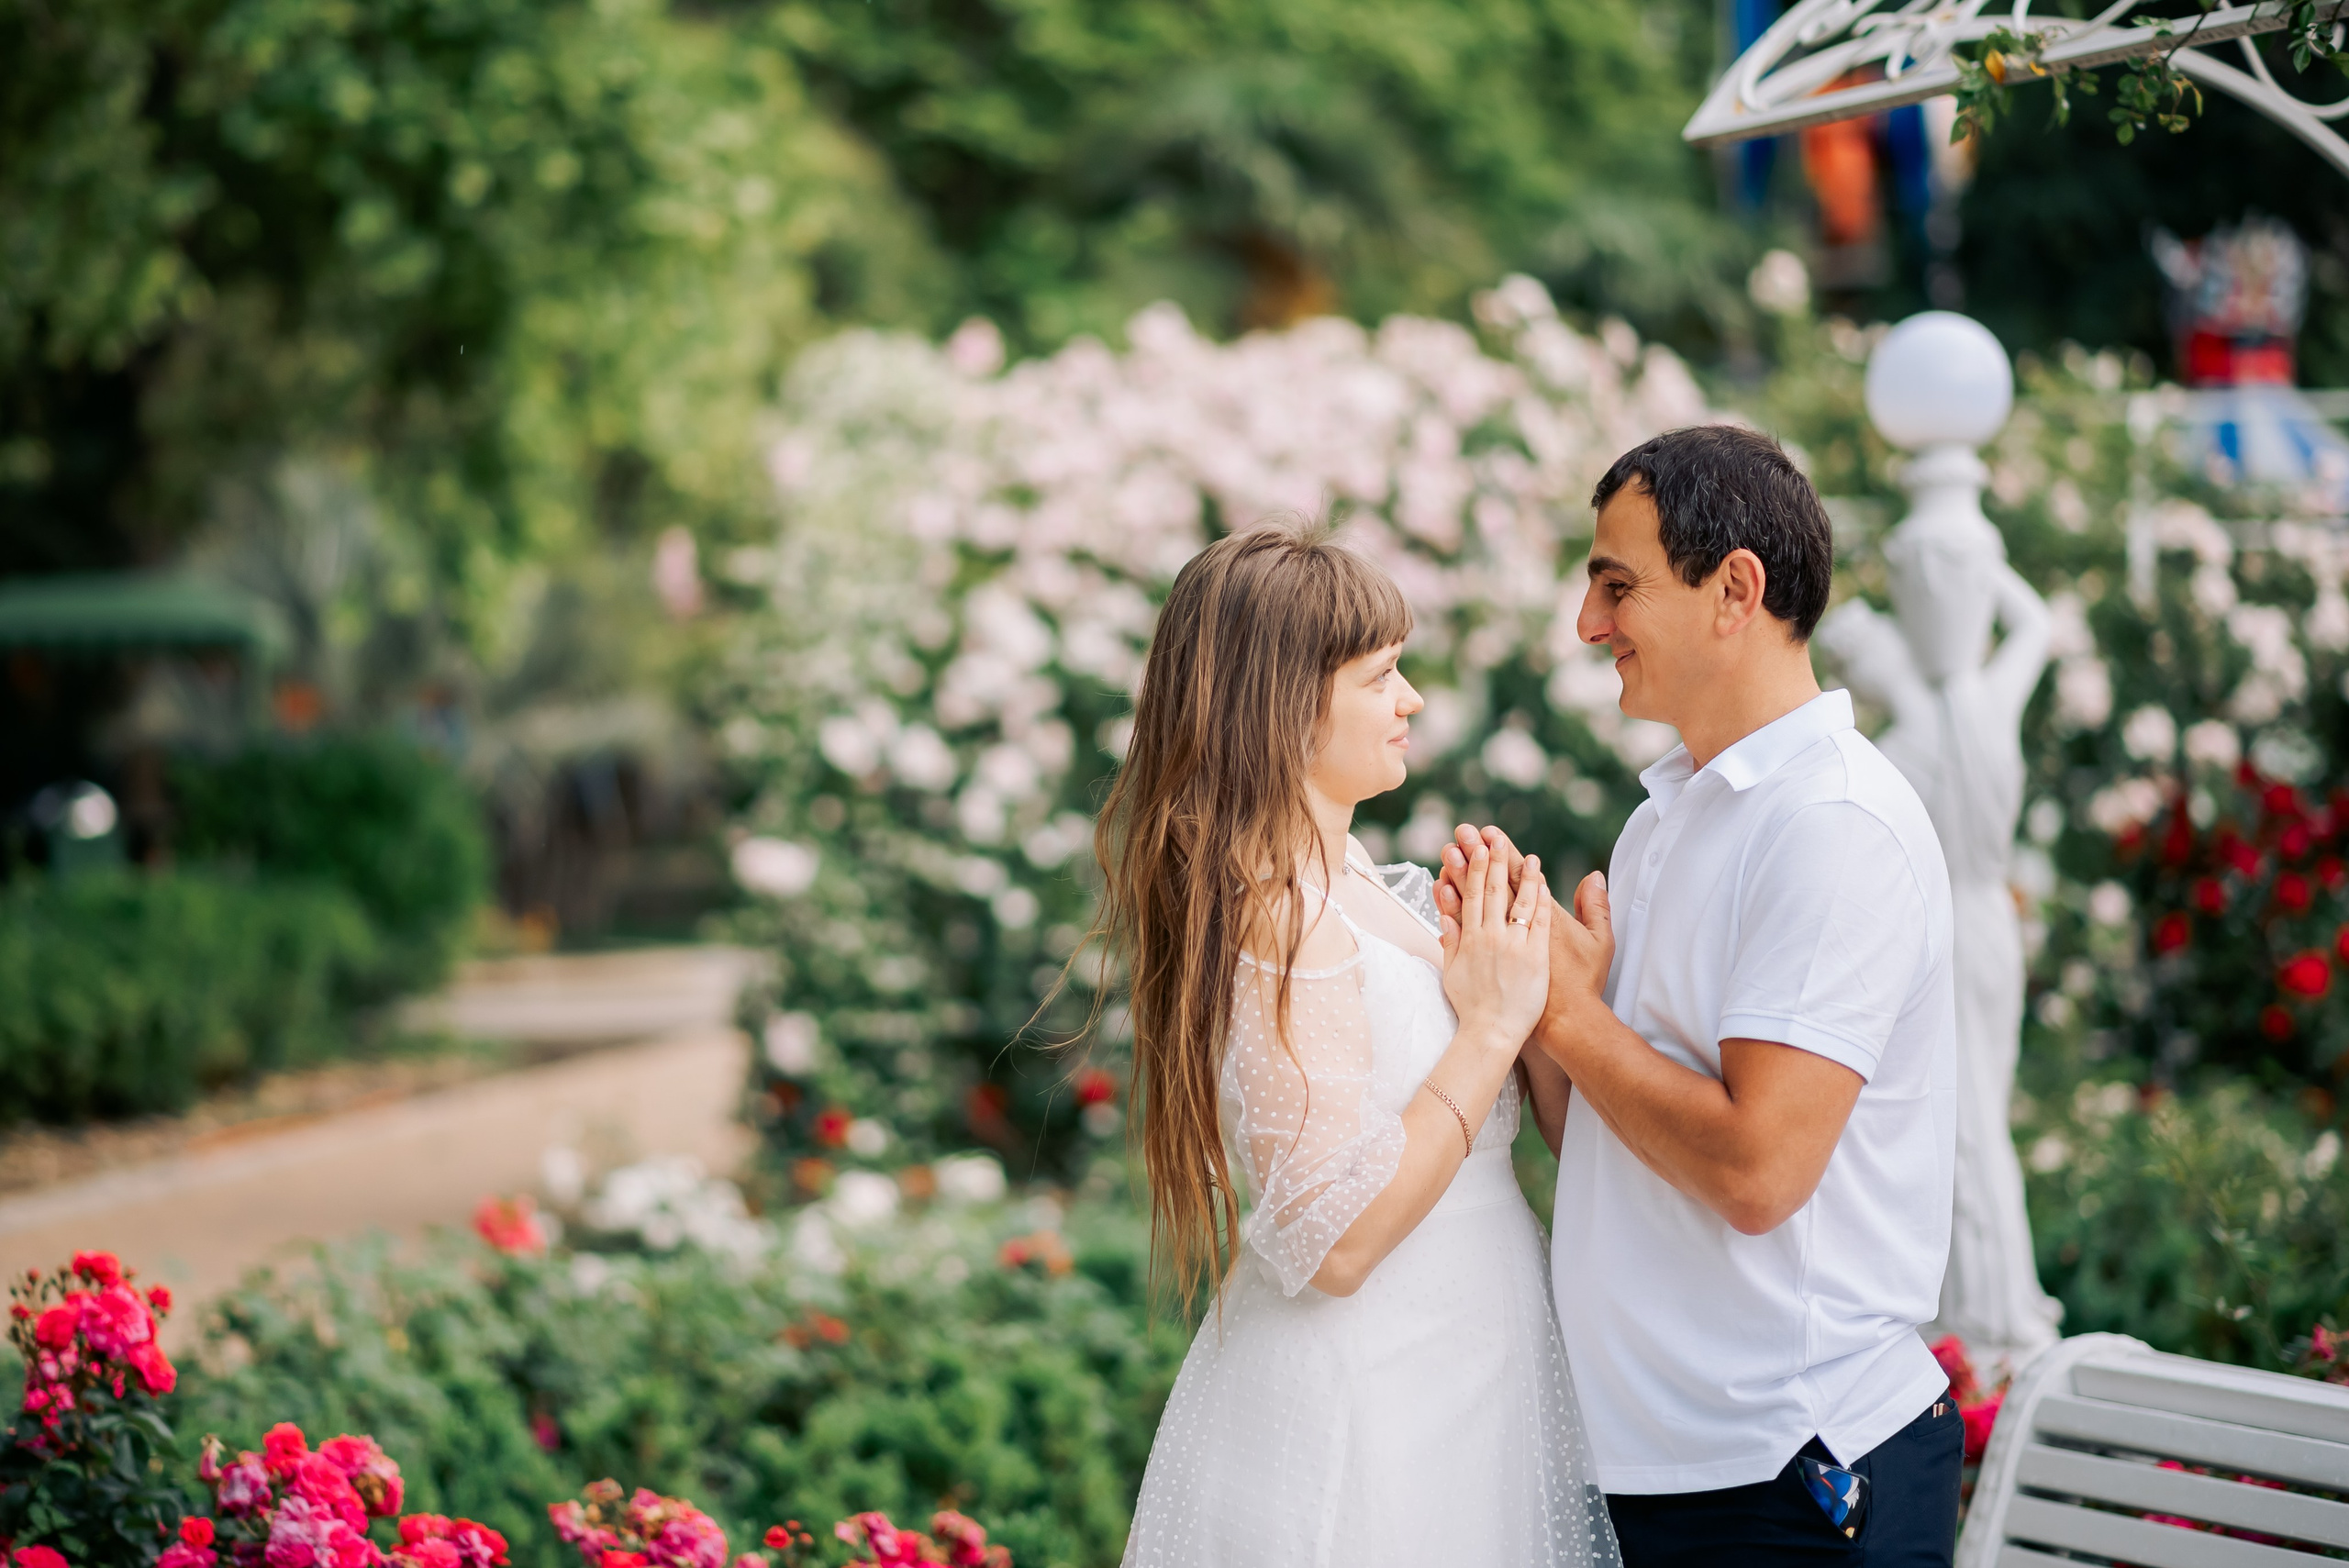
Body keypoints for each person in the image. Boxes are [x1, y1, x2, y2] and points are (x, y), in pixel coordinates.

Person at [1440, 425, 1963, 1565]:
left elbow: (1753, 1170)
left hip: (1793, 1476)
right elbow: (1617, 1147)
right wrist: (1522, 999)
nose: (1588, 624)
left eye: (1616, 586)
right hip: (1658, 1468)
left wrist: (1571, 1014)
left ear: (1735, 589)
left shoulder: (1831, 825)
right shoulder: (1664, 820)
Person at [1103, 524, 1620, 1566]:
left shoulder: (1373, 891)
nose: (1411, 698)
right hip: (1372, 1406)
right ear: (1286, 704)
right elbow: (1331, 1242)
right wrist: (1490, 1027)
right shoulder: (1275, 919)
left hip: (1466, 1379)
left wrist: (1554, 997)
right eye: (1381, 675)